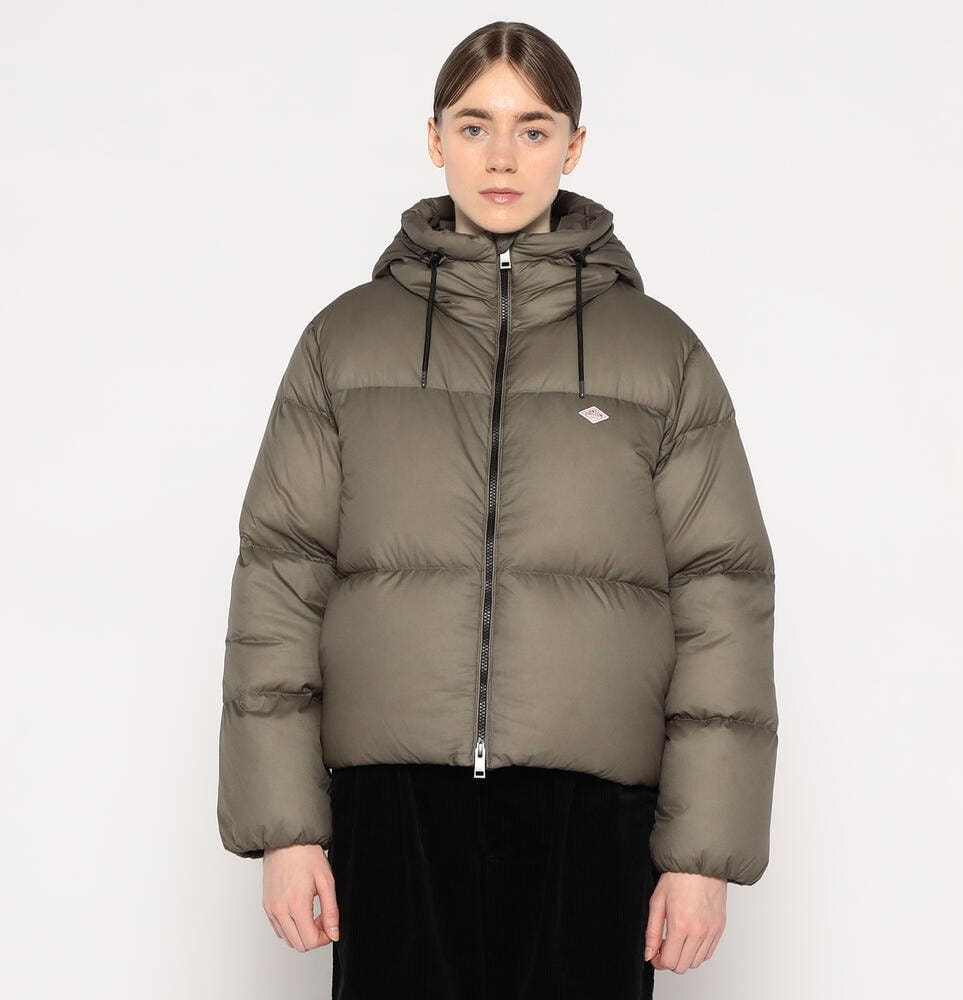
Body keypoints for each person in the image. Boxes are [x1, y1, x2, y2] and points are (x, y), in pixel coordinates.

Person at [216, 20, 778, 1000]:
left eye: (533, 128)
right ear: (435, 139)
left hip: (594, 816)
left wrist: (701, 855)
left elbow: (722, 594)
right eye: (475, 126)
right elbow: (280, 577)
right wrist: (287, 830)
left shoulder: (660, 355)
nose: (503, 157)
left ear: (574, 145)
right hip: (392, 808)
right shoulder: (344, 344)